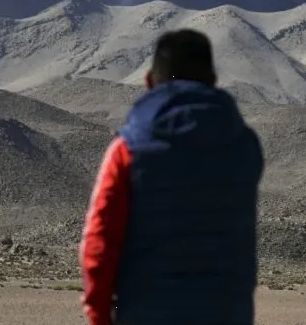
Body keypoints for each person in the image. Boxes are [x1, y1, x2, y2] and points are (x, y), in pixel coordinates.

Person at [79, 29, 265, 325]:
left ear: (150, 81)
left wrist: (99, 315)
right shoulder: (245, 145)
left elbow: (99, 239)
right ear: (214, 81)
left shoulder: (128, 149)